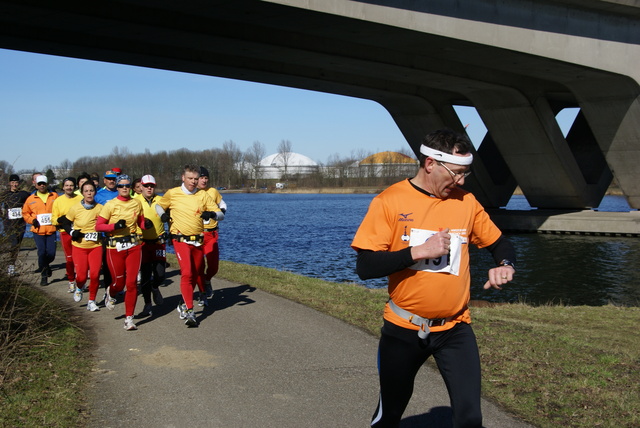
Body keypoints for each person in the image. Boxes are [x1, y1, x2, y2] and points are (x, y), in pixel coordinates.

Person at [351, 129, 517, 428]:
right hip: (404, 330)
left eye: (466, 173)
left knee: (470, 418)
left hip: (456, 329)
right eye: (456, 173)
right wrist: (416, 251)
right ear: (430, 164)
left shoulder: (466, 202)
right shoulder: (389, 201)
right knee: (389, 415)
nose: (461, 181)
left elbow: (499, 243)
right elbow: (365, 266)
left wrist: (505, 264)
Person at [156, 164, 224, 327]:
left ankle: (183, 302)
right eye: (190, 179)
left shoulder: (203, 195)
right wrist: (163, 215)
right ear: (183, 178)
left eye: (195, 179)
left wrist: (212, 214)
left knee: (195, 273)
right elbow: (158, 205)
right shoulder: (173, 193)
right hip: (180, 239)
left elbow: (221, 214)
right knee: (187, 273)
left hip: (198, 240)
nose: (193, 182)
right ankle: (189, 310)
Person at [95, 174, 151, 330]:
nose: (124, 188)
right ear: (117, 188)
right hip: (115, 247)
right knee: (119, 283)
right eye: (121, 186)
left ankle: (129, 319)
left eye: (127, 185)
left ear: (131, 188)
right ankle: (111, 293)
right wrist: (114, 227)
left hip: (133, 246)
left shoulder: (137, 202)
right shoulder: (110, 205)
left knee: (132, 283)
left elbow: (141, 222)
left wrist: (147, 225)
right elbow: (98, 226)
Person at [64, 180, 103, 311]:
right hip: (79, 247)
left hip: (95, 247)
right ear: (82, 193)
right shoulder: (75, 208)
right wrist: (72, 232)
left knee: (95, 274)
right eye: (86, 191)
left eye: (91, 190)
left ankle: (91, 301)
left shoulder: (100, 208)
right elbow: (65, 223)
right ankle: (79, 287)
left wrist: (102, 233)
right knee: (81, 276)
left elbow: (105, 225)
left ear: (95, 192)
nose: (89, 193)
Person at [134, 174, 165, 317]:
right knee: (145, 275)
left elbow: (170, 216)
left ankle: (155, 287)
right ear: (141, 186)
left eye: (151, 186)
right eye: (146, 186)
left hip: (159, 242)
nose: (149, 188)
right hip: (142, 243)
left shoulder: (161, 200)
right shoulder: (135, 201)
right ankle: (147, 304)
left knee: (160, 274)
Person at [196, 166, 227, 305]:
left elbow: (223, 204)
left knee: (213, 266)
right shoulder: (191, 193)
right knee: (198, 266)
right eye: (201, 178)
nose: (203, 180)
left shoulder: (213, 191)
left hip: (211, 234)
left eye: (206, 178)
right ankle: (202, 292)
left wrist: (219, 213)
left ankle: (207, 280)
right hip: (196, 234)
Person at [22, 175, 58, 285]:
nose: (42, 185)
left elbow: (60, 209)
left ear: (47, 184)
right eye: (39, 184)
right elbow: (25, 213)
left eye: (44, 183)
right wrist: (32, 220)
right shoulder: (30, 199)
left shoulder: (54, 196)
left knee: (51, 254)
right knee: (42, 252)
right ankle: (44, 276)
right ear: (36, 185)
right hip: (38, 231)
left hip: (51, 230)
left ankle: (46, 266)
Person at [52, 177, 81, 292]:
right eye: (67, 185)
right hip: (65, 233)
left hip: (78, 232)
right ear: (63, 187)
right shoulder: (58, 201)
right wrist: (60, 220)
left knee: (79, 258)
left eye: (71, 185)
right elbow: (53, 219)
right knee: (69, 259)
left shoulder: (80, 198)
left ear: (75, 187)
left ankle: (80, 280)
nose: (69, 187)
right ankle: (71, 281)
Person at [0, 174, 30, 276]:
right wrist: (3, 216)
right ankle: (10, 268)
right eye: (12, 183)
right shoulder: (5, 194)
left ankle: (11, 265)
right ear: (9, 183)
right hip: (9, 224)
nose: (14, 185)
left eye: (16, 182)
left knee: (17, 245)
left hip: (21, 223)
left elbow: (33, 200)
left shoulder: (24, 194)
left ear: (19, 183)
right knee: (13, 243)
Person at [94, 170, 119, 292]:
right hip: (105, 235)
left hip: (119, 234)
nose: (111, 181)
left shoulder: (121, 192)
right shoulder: (98, 195)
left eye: (113, 179)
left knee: (119, 264)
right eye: (109, 179)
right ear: (104, 180)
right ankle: (108, 289)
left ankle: (118, 286)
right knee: (107, 264)